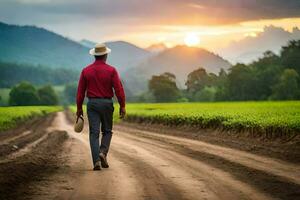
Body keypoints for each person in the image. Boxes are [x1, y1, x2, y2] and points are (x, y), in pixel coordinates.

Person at [76, 43, 126, 170]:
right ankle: (103, 152)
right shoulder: (111, 70)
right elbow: (119, 90)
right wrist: (122, 105)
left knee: (94, 133)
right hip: (107, 103)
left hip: (92, 104)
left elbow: (80, 92)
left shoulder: (86, 71)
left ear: (95, 56)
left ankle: (96, 162)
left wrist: (79, 109)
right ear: (106, 55)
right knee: (107, 131)